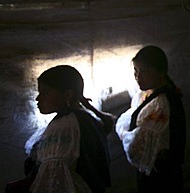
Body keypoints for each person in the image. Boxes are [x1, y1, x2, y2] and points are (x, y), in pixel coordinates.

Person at [6, 65, 111, 193]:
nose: (38, 98)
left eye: (45, 92)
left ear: (67, 94)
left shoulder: (65, 126)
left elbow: (53, 179)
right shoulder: (84, 117)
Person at [115, 45, 186, 192]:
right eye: (136, 71)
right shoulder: (145, 95)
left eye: (145, 72)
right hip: (152, 171)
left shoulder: (161, 104)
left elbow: (135, 146)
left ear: (161, 72)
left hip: (161, 175)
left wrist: (123, 133)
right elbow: (126, 118)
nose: (138, 77)